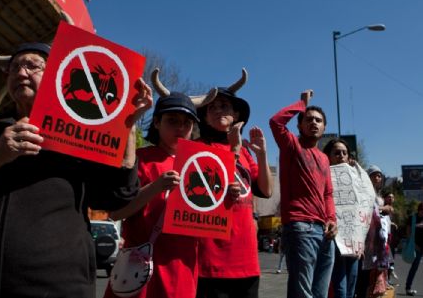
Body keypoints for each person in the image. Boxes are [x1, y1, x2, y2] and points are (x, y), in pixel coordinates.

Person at [0, 42, 152, 298]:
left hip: (55, 289)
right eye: (14, 67)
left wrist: (126, 126)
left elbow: (115, 197)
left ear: (57, 77)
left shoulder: (82, 137)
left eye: (32, 65)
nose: (21, 73)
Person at [102, 69, 217, 298]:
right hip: (141, 266)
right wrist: (156, 187)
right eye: (172, 121)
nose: (180, 127)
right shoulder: (139, 158)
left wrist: (226, 199)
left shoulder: (204, 166)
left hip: (183, 267)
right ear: (156, 122)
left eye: (186, 123)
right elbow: (116, 213)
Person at [195, 69, 273, 298]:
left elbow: (266, 191)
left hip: (246, 254)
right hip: (210, 257)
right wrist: (233, 152)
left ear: (236, 114)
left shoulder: (248, 153)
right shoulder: (196, 148)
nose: (219, 110)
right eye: (213, 107)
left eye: (225, 106)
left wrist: (262, 155)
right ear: (205, 117)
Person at [269, 89, 337, 298]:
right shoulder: (291, 145)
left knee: (320, 292)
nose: (314, 123)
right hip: (300, 227)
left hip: (325, 231)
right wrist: (301, 104)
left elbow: (327, 193)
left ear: (324, 127)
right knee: (303, 293)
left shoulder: (324, 158)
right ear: (299, 125)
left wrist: (332, 218)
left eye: (318, 120)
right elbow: (275, 122)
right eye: (308, 119)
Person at [323, 139, 364, 298]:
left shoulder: (356, 180)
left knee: (352, 282)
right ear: (329, 156)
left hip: (353, 239)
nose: (341, 156)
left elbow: (361, 211)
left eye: (344, 153)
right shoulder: (324, 176)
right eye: (337, 152)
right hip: (335, 237)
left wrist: (361, 243)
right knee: (340, 284)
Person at [361, 165, 393, 298]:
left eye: (379, 175)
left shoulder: (378, 195)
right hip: (367, 237)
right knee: (366, 274)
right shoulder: (364, 191)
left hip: (379, 238)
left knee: (378, 272)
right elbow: (368, 209)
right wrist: (383, 208)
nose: (377, 177)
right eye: (374, 174)